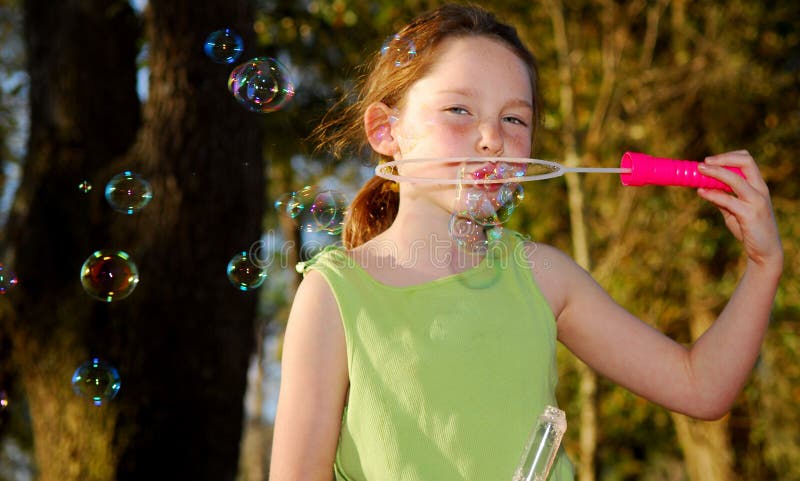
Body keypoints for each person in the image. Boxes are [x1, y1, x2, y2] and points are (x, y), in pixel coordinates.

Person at [268, 4, 784, 481]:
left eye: (514, 119)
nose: (492, 137)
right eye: (459, 110)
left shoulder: (540, 275)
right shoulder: (336, 295)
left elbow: (701, 386)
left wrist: (763, 264)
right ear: (386, 131)